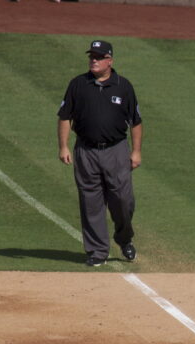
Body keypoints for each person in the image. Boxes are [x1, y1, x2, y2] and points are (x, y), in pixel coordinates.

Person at [57, 40, 142, 267]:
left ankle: (124, 239)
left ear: (110, 61)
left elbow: (135, 121)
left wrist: (136, 152)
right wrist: (63, 146)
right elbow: (65, 116)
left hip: (116, 150)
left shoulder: (123, 86)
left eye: (99, 57)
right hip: (86, 150)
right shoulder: (78, 84)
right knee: (90, 201)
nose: (93, 60)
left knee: (123, 201)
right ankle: (97, 251)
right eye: (91, 56)